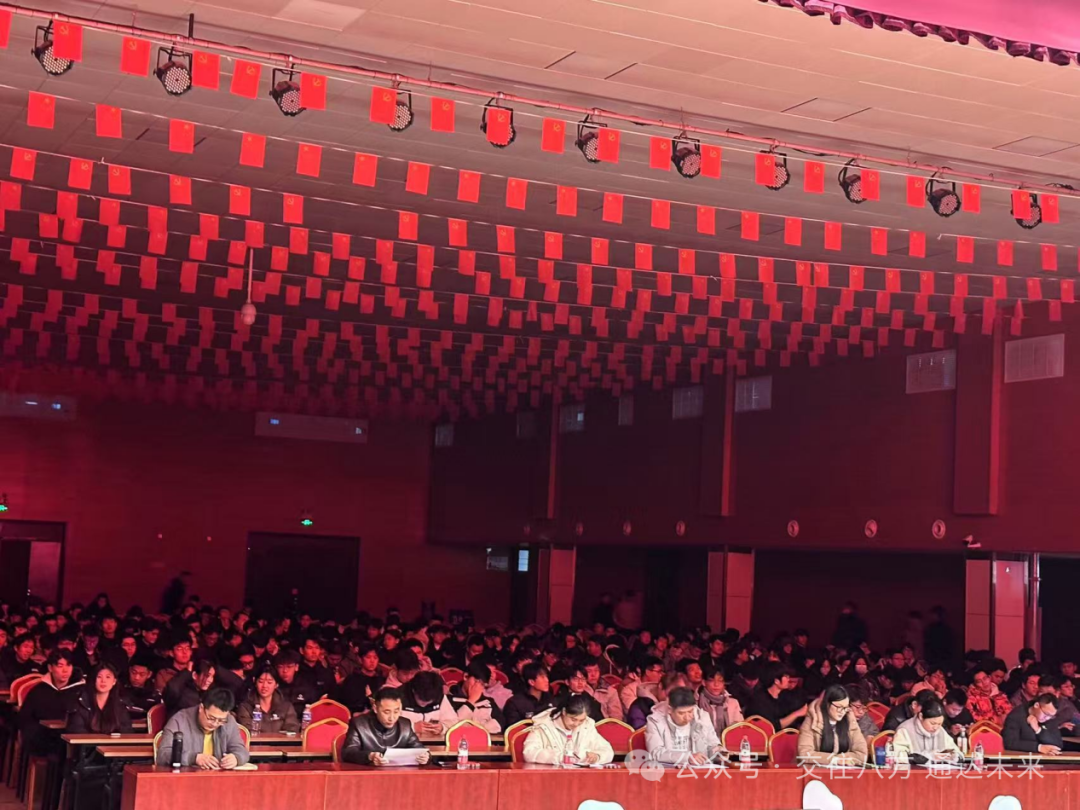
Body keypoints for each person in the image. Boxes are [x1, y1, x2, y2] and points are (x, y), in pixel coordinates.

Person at [156, 688, 250, 769]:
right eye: (211, 718)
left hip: (218, 778)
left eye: (221, 720)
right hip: (186, 777)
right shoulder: (179, 721)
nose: (215, 724)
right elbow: (163, 755)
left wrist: (236, 758)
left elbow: (242, 751)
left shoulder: (229, 721)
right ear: (201, 708)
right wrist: (194, 758)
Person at [341, 687, 431, 766]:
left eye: (396, 711)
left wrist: (425, 757)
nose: (392, 718)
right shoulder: (359, 724)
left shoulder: (405, 725)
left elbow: (420, 749)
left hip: (398, 774)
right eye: (386, 712)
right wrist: (370, 756)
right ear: (375, 708)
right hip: (368, 774)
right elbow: (348, 753)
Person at [19, 650, 85, 755]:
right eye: (60, 666)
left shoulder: (81, 690)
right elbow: (25, 717)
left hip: (71, 736)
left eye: (68, 665)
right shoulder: (39, 690)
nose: (65, 670)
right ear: (50, 668)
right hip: (43, 737)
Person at [523, 694, 615, 765]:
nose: (576, 724)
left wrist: (597, 757)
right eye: (573, 719)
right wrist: (560, 757)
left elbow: (607, 750)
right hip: (551, 776)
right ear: (564, 712)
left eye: (581, 720)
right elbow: (529, 753)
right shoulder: (544, 725)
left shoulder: (587, 726)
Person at [645, 685, 721, 766]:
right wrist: (687, 757)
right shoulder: (655, 721)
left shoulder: (702, 717)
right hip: (668, 770)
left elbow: (712, 745)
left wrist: (719, 753)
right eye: (681, 713)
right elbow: (656, 753)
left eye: (690, 711)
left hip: (699, 769)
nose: (687, 717)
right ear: (670, 710)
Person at [796, 685, 867, 765]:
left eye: (845, 708)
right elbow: (804, 754)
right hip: (816, 770)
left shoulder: (849, 719)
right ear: (827, 704)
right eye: (839, 707)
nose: (842, 712)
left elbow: (862, 754)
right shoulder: (812, 720)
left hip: (843, 770)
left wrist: (843, 758)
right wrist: (834, 760)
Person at [66, 662, 133, 734]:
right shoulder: (82, 702)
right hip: (87, 741)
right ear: (94, 680)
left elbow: (126, 731)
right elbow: (76, 730)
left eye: (108, 677)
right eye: (99, 677)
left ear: (114, 681)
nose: (103, 681)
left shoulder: (120, 704)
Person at [892, 698, 962, 763]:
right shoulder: (905, 730)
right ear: (921, 716)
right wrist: (928, 757)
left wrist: (953, 757)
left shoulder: (941, 731)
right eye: (933, 723)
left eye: (939, 724)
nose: (936, 727)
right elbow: (899, 756)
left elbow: (957, 752)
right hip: (913, 771)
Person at [236, 666, 300, 734]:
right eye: (261, 681)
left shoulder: (286, 707)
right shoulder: (245, 707)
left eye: (269, 682)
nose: (264, 686)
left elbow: (292, 729)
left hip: (280, 741)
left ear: (276, 684)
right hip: (255, 741)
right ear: (255, 682)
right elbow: (247, 731)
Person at [747, 664, 807, 731]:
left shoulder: (785, 695)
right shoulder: (759, 700)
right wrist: (797, 714)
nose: (788, 679)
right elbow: (772, 726)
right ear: (776, 681)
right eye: (786, 676)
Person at [447, 661, 504, 732]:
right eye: (477, 681)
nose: (478, 687)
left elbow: (499, 723)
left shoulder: (488, 702)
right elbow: (453, 726)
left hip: (483, 738)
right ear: (466, 676)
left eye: (482, 684)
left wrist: (478, 731)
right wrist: (471, 701)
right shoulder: (448, 700)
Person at [400, 671, 457, 736]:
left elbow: (453, 722)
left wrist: (442, 728)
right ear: (413, 690)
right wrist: (412, 727)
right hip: (406, 740)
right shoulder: (399, 696)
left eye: (429, 701)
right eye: (421, 699)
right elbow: (391, 726)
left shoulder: (439, 695)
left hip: (433, 741)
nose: (424, 704)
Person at [333, 643, 385, 714]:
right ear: (360, 659)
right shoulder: (352, 679)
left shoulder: (380, 680)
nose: (372, 661)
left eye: (375, 658)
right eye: (368, 657)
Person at [696, 665, 743, 735]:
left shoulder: (733, 703)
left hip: (728, 740)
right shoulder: (696, 703)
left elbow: (740, 727)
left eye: (720, 681)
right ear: (704, 682)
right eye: (711, 681)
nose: (716, 684)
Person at [120, 654, 159, 718]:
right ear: (129, 670)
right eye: (134, 673)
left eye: (142, 674)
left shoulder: (154, 695)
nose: (136, 677)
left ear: (149, 674)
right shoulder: (119, 690)